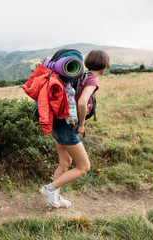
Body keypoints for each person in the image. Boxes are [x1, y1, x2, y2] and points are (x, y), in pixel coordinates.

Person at [40, 50, 110, 208]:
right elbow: (82, 102)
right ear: (106, 65)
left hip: (57, 123)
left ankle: (54, 198)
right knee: (84, 166)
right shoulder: (92, 79)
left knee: (65, 162)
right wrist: (82, 125)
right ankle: (49, 189)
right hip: (68, 125)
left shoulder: (75, 74)